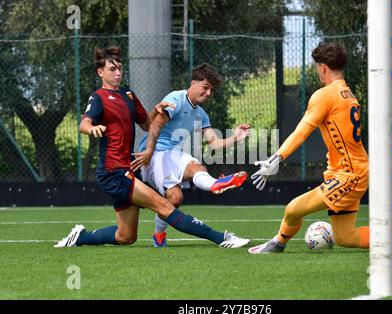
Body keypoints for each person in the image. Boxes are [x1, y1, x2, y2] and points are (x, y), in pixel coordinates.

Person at [247, 42, 392, 254]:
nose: (317, 71)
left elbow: (301, 132)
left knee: (292, 209)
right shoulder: (347, 93)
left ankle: (277, 243)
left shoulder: (324, 95)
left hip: (349, 174)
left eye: (317, 67)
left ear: (323, 68)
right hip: (353, 171)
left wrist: (277, 158)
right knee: (345, 237)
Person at [54, 46, 249, 249]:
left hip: (127, 167)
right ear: (100, 72)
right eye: (112, 69)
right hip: (113, 170)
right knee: (165, 205)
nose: (118, 72)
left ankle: (80, 237)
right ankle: (222, 238)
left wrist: (157, 110)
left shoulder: (128, 95)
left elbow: (148, 124)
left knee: (126, 236)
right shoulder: (99, 97)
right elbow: (84, 124)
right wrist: (92, 128)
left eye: (120, 68)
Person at [137, 63, 251, 248]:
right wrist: (149, 151)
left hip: (171, 155)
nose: (208, 93)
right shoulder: (177, 98)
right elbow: (156, 124)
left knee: (175, 199)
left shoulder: (201, 114)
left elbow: (214, 142)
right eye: (205, 87)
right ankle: (215, 184)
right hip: (154, 154)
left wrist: (235, 137)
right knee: (196, 169)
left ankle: (158, 236)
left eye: (211, 90)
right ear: (193, 83)